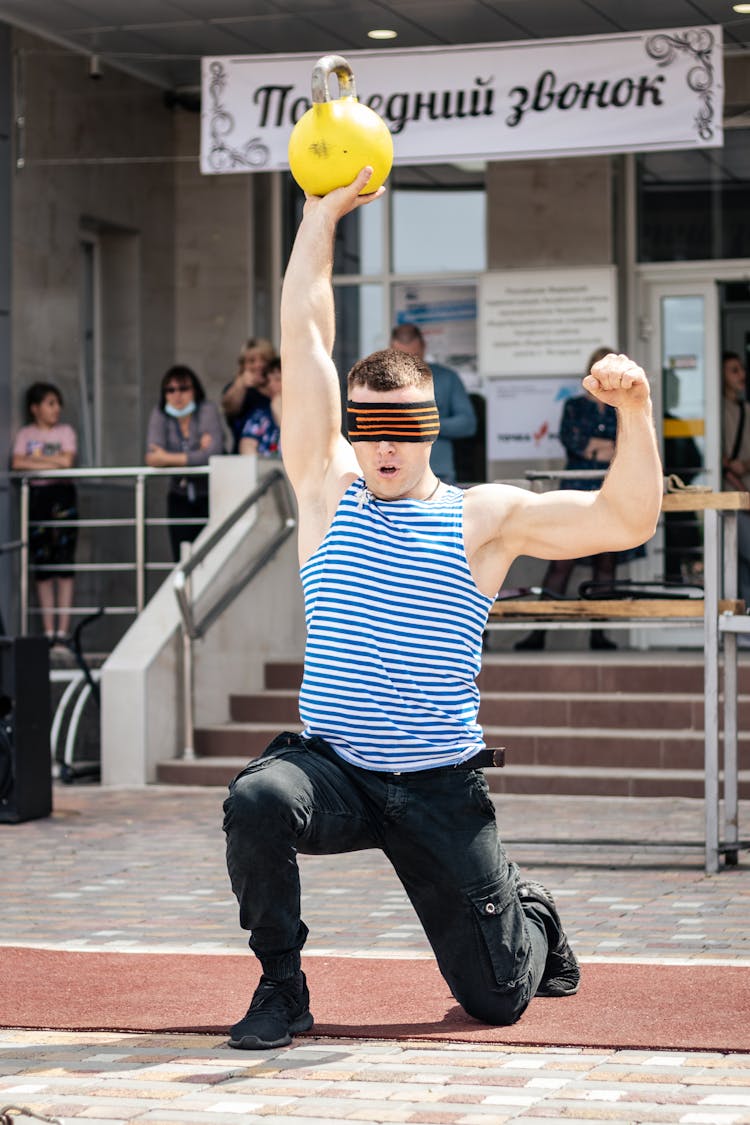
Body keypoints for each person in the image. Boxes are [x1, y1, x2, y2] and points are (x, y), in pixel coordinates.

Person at [222, 168, 662, 1051]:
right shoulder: (323, 485)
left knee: (495, 999)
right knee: (257, 798)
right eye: (369, 428)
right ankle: (281, 984)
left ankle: (529, 919)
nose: (383, 447)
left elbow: (627, 517)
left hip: (437, 786)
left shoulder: (481, 518)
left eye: (402, 429)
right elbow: (305, 329)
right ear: (353, 429)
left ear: (430, 428)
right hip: (334, 769)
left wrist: (638, 409)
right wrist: (318, 215)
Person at [514, 345, 643, 652]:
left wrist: (598, 447)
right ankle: (538, 633)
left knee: (606, 563)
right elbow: (574, 443)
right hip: (576, 492)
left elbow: (625, 446)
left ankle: (599, 634)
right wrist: (602, 447)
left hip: (611, 491)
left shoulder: (623, 408)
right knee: (561, 561)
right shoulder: (573, 406)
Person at [11, 382, 78, 651]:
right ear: (35, 408)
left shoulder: (66, 431)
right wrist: (53, 459)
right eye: (50, 403)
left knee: (63, 563)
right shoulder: (26, 433)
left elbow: (67, 462)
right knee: (43, 565)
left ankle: (63, 633)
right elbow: (17, 463)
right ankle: (48, 632)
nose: (56, 409)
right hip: (38, 500)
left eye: (58, 403)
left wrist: (36, 459)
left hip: (62, 498)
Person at [145, 365, 224, 561]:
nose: (177, 395)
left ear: (194, 390)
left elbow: (213, 454)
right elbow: (152, 458)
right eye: (170, 390)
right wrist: (195, 451)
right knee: (181, 557)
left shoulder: (207, 409)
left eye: (183, 388)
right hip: (179, 494)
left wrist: (168, 458)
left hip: (210, 494)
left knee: (210, 555)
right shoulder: (161, 413)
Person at [389, 323, 476, 484]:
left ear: (423, 348)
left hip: (438, 472)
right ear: (391, 351)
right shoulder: (379, 383)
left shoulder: (447, 378)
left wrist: (426, 422)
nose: (409, 364)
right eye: (402, 357)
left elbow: (468, 424)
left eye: (414, 356)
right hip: (391, 470)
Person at [722, 350, 750, 607]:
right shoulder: (714, 410)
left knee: (740, 561)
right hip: (728, 495)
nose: (741, 375)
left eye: (741, 369)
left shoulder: (745, 410)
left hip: (743, 493)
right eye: (734, 370)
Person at [222, 337, 276, 453]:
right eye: (251, 361)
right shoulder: (237, 388)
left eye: (264, 360)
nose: (258, 365)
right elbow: (229, 408)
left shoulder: (280, 388)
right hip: (244, 457)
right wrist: (241, 384)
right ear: (243, 365)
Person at [239, 356, 282, 458]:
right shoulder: (260, 416)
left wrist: (281, 416)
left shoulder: (307, 413)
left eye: (278, 379)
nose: (271, 385)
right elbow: (247, 445)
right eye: (268, 381)